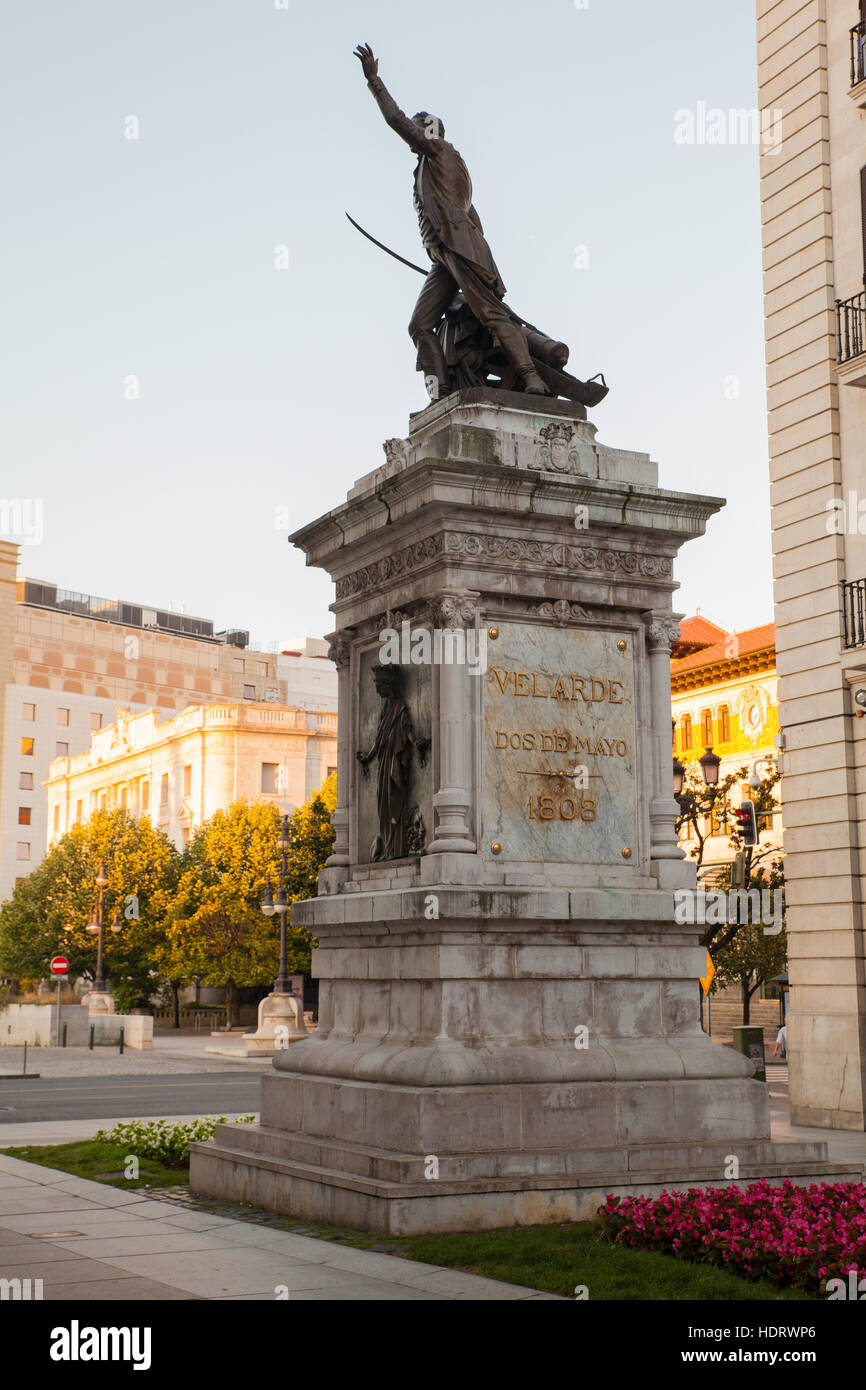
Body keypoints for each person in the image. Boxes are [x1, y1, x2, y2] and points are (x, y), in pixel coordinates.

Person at [353, 42, 550, 400]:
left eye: (418, 128)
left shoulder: (441, 151)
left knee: (490, 314)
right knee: (420, 325)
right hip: (444, 256)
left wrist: (374, 82)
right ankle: (440, 391)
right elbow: (475, 217)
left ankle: (532, 378)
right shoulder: (437, 169)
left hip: (457, 247)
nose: (411, 133)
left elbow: (396, 120)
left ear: (430, 130)